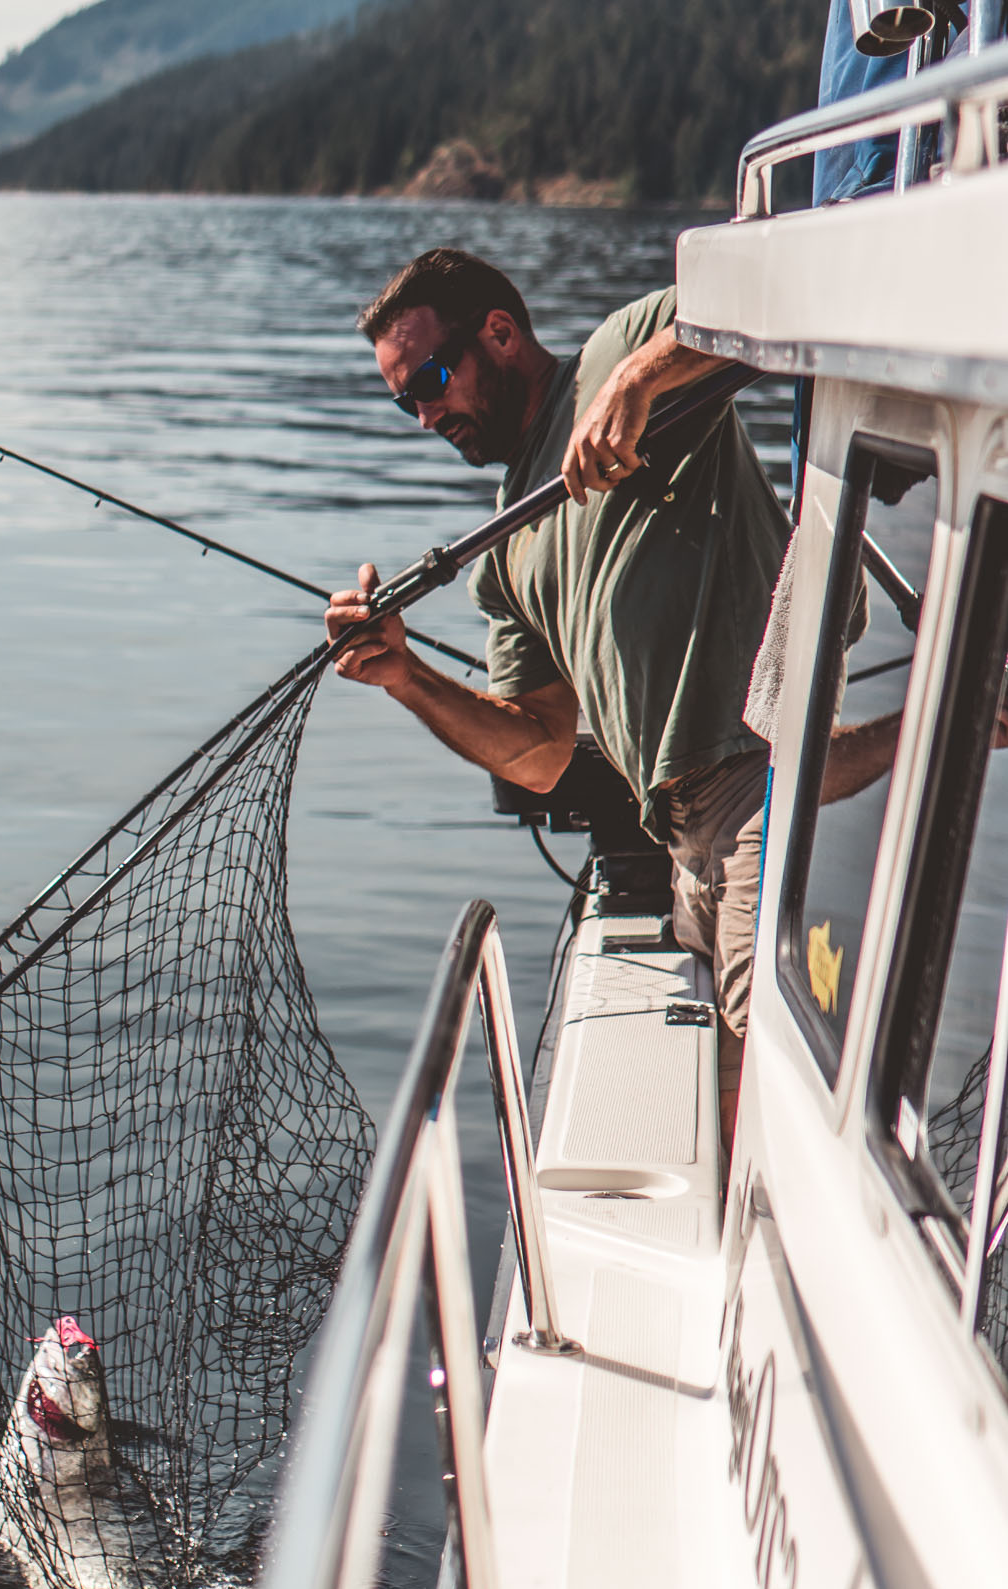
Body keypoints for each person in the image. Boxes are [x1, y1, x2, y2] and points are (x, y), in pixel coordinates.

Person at [325, 247, 789, 1150]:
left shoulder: (619, 352)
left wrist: (641, 381)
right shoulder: (504, 550)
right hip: (685, 839)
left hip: (761, 787)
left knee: (782, 1114)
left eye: (431, 382)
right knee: (734, 1139)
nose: (425, 417)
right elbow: (539, 754)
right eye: (404, 403)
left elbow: (772, 280)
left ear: (499, 333)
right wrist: (406, 676)